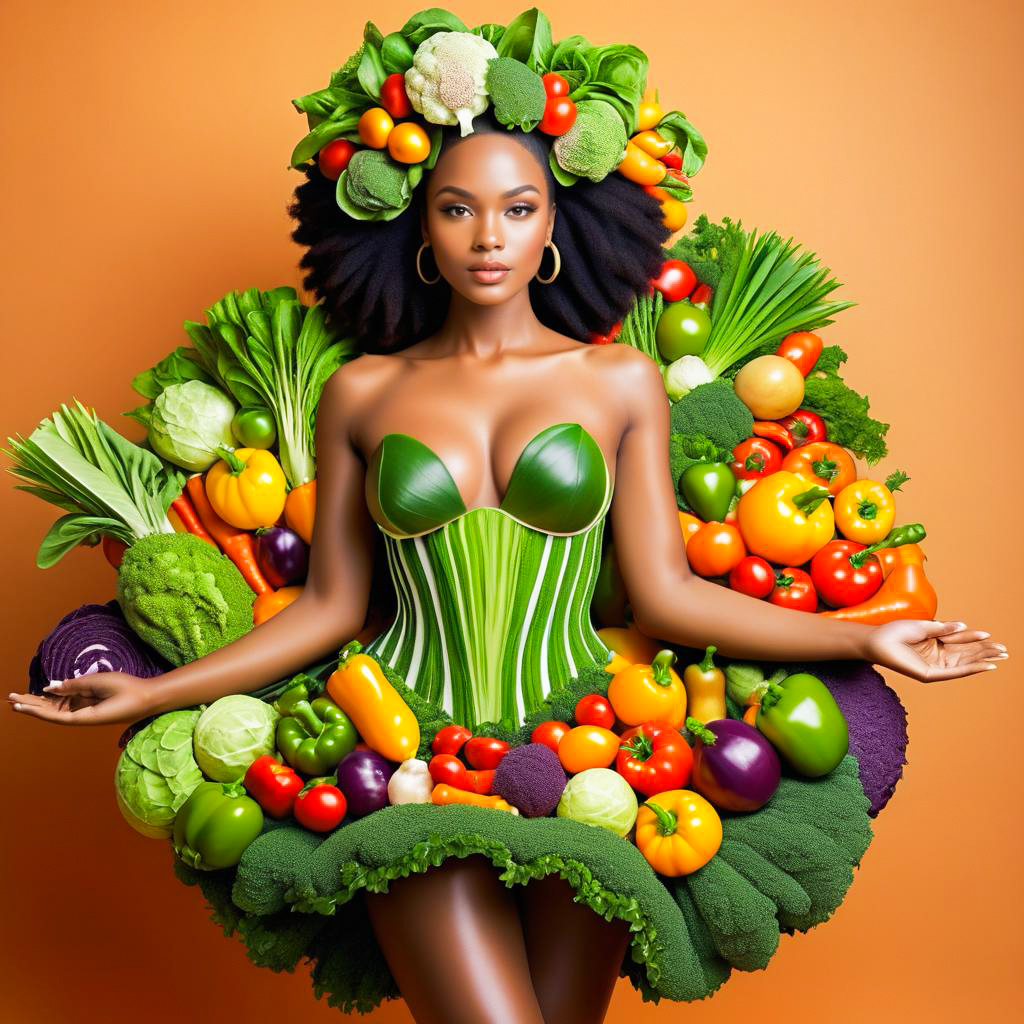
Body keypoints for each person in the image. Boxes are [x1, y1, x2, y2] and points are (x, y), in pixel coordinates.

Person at [7, 28, 1006, 1024]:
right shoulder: (362, 392)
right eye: (459, 209)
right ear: (423, 234)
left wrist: (867, 633)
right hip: (403, 760)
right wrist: (152, 693)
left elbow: (666, 593)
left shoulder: (618, 381)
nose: (489, 236)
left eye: (516, 208)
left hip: (591, 751)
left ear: (551, 230)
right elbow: (326, 611)